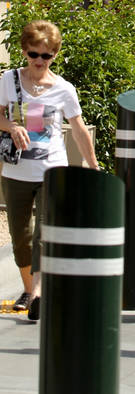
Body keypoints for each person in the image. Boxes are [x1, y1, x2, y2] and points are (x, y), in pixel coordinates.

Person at [0, 20, 99, 319]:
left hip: (51, 170)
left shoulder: (64, 90)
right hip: (16, 172)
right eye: (34, 54)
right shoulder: (9, 80)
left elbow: (79, 130)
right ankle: (30, 289)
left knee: (44, 233)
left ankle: (39, 293)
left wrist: (93, 167)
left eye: (46, 56)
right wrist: (13, 126)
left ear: (55, 55)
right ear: (24, 51)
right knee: (21, 237)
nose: (39, 62)